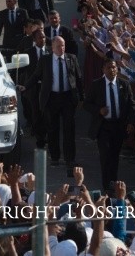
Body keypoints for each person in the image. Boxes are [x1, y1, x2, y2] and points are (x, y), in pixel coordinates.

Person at [25, 36, 83, 173]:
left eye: (63, 46)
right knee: (52, 129)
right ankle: (55, 156)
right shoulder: (45, 60)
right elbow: (36, 76)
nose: (61, 49)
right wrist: (25, 87)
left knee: (69, 129)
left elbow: (78, 78)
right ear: (52, 47)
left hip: (68, 98)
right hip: (51, 98)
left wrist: (82, 97)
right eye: (58, 46)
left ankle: (70, 159)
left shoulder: (71, 58)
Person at [85, 59, 135, 188]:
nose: (112, 70)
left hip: (119, 126)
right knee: (105, 157)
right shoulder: (97, 85)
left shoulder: (124, 85)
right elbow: (86, 104)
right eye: (109, 68)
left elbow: (132, 105)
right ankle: (107, 187)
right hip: (103, 126)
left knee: (114, 157)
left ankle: (114, 185)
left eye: (114, 67)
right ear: (103, 70)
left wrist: (130, 122)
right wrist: (99, 110)